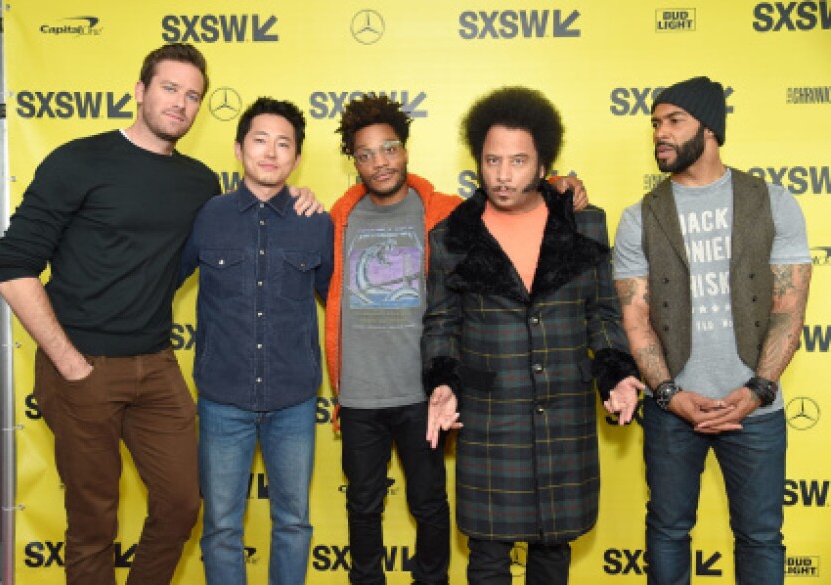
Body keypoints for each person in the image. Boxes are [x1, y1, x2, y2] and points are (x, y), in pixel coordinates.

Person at [0, 44, 317, 584]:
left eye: (193, 96)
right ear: (140, 91)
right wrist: (68, 361)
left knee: (183, 505)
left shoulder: (200, 184)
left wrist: (295, 198)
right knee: (93, 522)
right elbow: (12, 266)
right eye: (170, 89)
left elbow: (242, 227)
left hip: (157, 366)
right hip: (81, 367)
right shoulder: (77, 161)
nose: (180, 104)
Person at [326, 93, 590, 585]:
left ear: (405, 150)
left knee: (430, 504)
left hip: (424, 394)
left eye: (388, 149)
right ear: (353, 162)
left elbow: (507, 195)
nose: (379, 162)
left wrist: (559, 184)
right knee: (362, 507)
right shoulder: (339, 218)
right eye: (365, 154)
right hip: (360, 393)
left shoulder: (445, 211)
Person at [421, 86, 642, 585]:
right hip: (490, 419)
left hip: (563, 413)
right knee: (488, 557)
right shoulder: (453, 236)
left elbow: (603, 313)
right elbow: (441, 322)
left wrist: (616, 373)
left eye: (518, 161)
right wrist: (441, 382)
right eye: (492, 159)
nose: (503, 174)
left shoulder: (583, 224)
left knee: (553, 550)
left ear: (543, 165)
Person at [612, 76, 812, 585]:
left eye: (674, 121)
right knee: (668, 530)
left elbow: (788, 310)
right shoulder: (640, 217)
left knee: (762, 536)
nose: (661, 132)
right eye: (656, 123)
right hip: (673, 406)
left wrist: (756, 390)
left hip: (757, 409)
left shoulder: (772, 202)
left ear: (710, 129)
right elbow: (635, 321)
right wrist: (669, 394)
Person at [178, 97, 333, 585]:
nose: (271, 152)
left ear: (297, 157)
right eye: (260, 140)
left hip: (294, 400)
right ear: (239, 148)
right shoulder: (207, 216)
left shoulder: (317, 221)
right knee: (222, 527)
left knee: (293, 523)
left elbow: (340, 309)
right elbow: (156, 281)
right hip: (223, 399)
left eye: (283, 143)